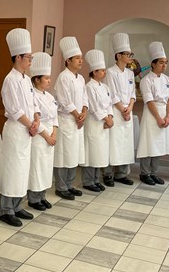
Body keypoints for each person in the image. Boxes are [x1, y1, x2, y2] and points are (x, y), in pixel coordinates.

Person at [0, 28, 39, 227]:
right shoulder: (10, 79)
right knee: (12, 169)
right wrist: (31, 124)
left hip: (27, 130)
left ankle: (17, 205)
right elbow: (14, 109)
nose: (30, 61)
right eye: (28, 57)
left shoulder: (27, 80)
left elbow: (33, 104)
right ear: (18, 57)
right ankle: (6, 209)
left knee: (23, 170)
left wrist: (36, 120)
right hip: (16, 130)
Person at [53, 37, 86, 200]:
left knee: (74, 154)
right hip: (66, 120)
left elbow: (85, 98)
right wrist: (77, 115)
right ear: (68, 60)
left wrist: (84, 112)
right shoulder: (63, 77)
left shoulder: (81, 78)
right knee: (63, 154)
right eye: (77, 58)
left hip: (78, 122)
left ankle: (70, 184)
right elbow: (64, 101)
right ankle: (61, 187)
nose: (81, 61)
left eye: (81, 58)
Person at [137, 41, 169, 185]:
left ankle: (153, 172)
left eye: (166, 63)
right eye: (161, 62)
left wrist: (168, 116)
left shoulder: (168, 79)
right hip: (152, 114)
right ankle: (144, 173)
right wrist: (158, 117)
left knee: (159, 145)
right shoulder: (146, 80)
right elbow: (149, 100)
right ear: (153, 64)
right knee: (148, 144)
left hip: (164, 113)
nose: (164, 65)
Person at [104, 33, 135, 186]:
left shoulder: (130, 73)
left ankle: (122, 174)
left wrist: (130, 108)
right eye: (127, 54)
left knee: (126, 143)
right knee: (113, 143)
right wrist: (123, 109)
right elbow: (112, 94)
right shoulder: (110, 72)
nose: (130, 57)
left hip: (128, 110)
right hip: (116, 111)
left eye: (130, 54)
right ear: (118, 56)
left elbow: (133, 94)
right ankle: (108, 174)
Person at [27, 52, 58, 211]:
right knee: (37, 167)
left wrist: (54, 134)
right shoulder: (32, 95)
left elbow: (55, 118)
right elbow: (35, 120)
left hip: (50, 136)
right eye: (46, 78)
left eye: (49, 78)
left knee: (46, 168)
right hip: (40, 137)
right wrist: (47, 136)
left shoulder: (50, 97)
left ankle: (42, 195)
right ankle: (33, 198)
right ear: (37, 79)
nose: (49, 81)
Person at [83, 49, 113, 192]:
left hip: (104, 124)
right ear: (94, 72)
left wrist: (110, 117)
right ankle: (88, 181)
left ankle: (96, 179)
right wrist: (106, 119)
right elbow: (94, 108)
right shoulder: (89, 87)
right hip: (94, 123)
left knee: (100, 153)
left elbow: (109, 105)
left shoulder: (105, 87)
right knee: (92, 153)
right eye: (102, 70)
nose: (104, 73)